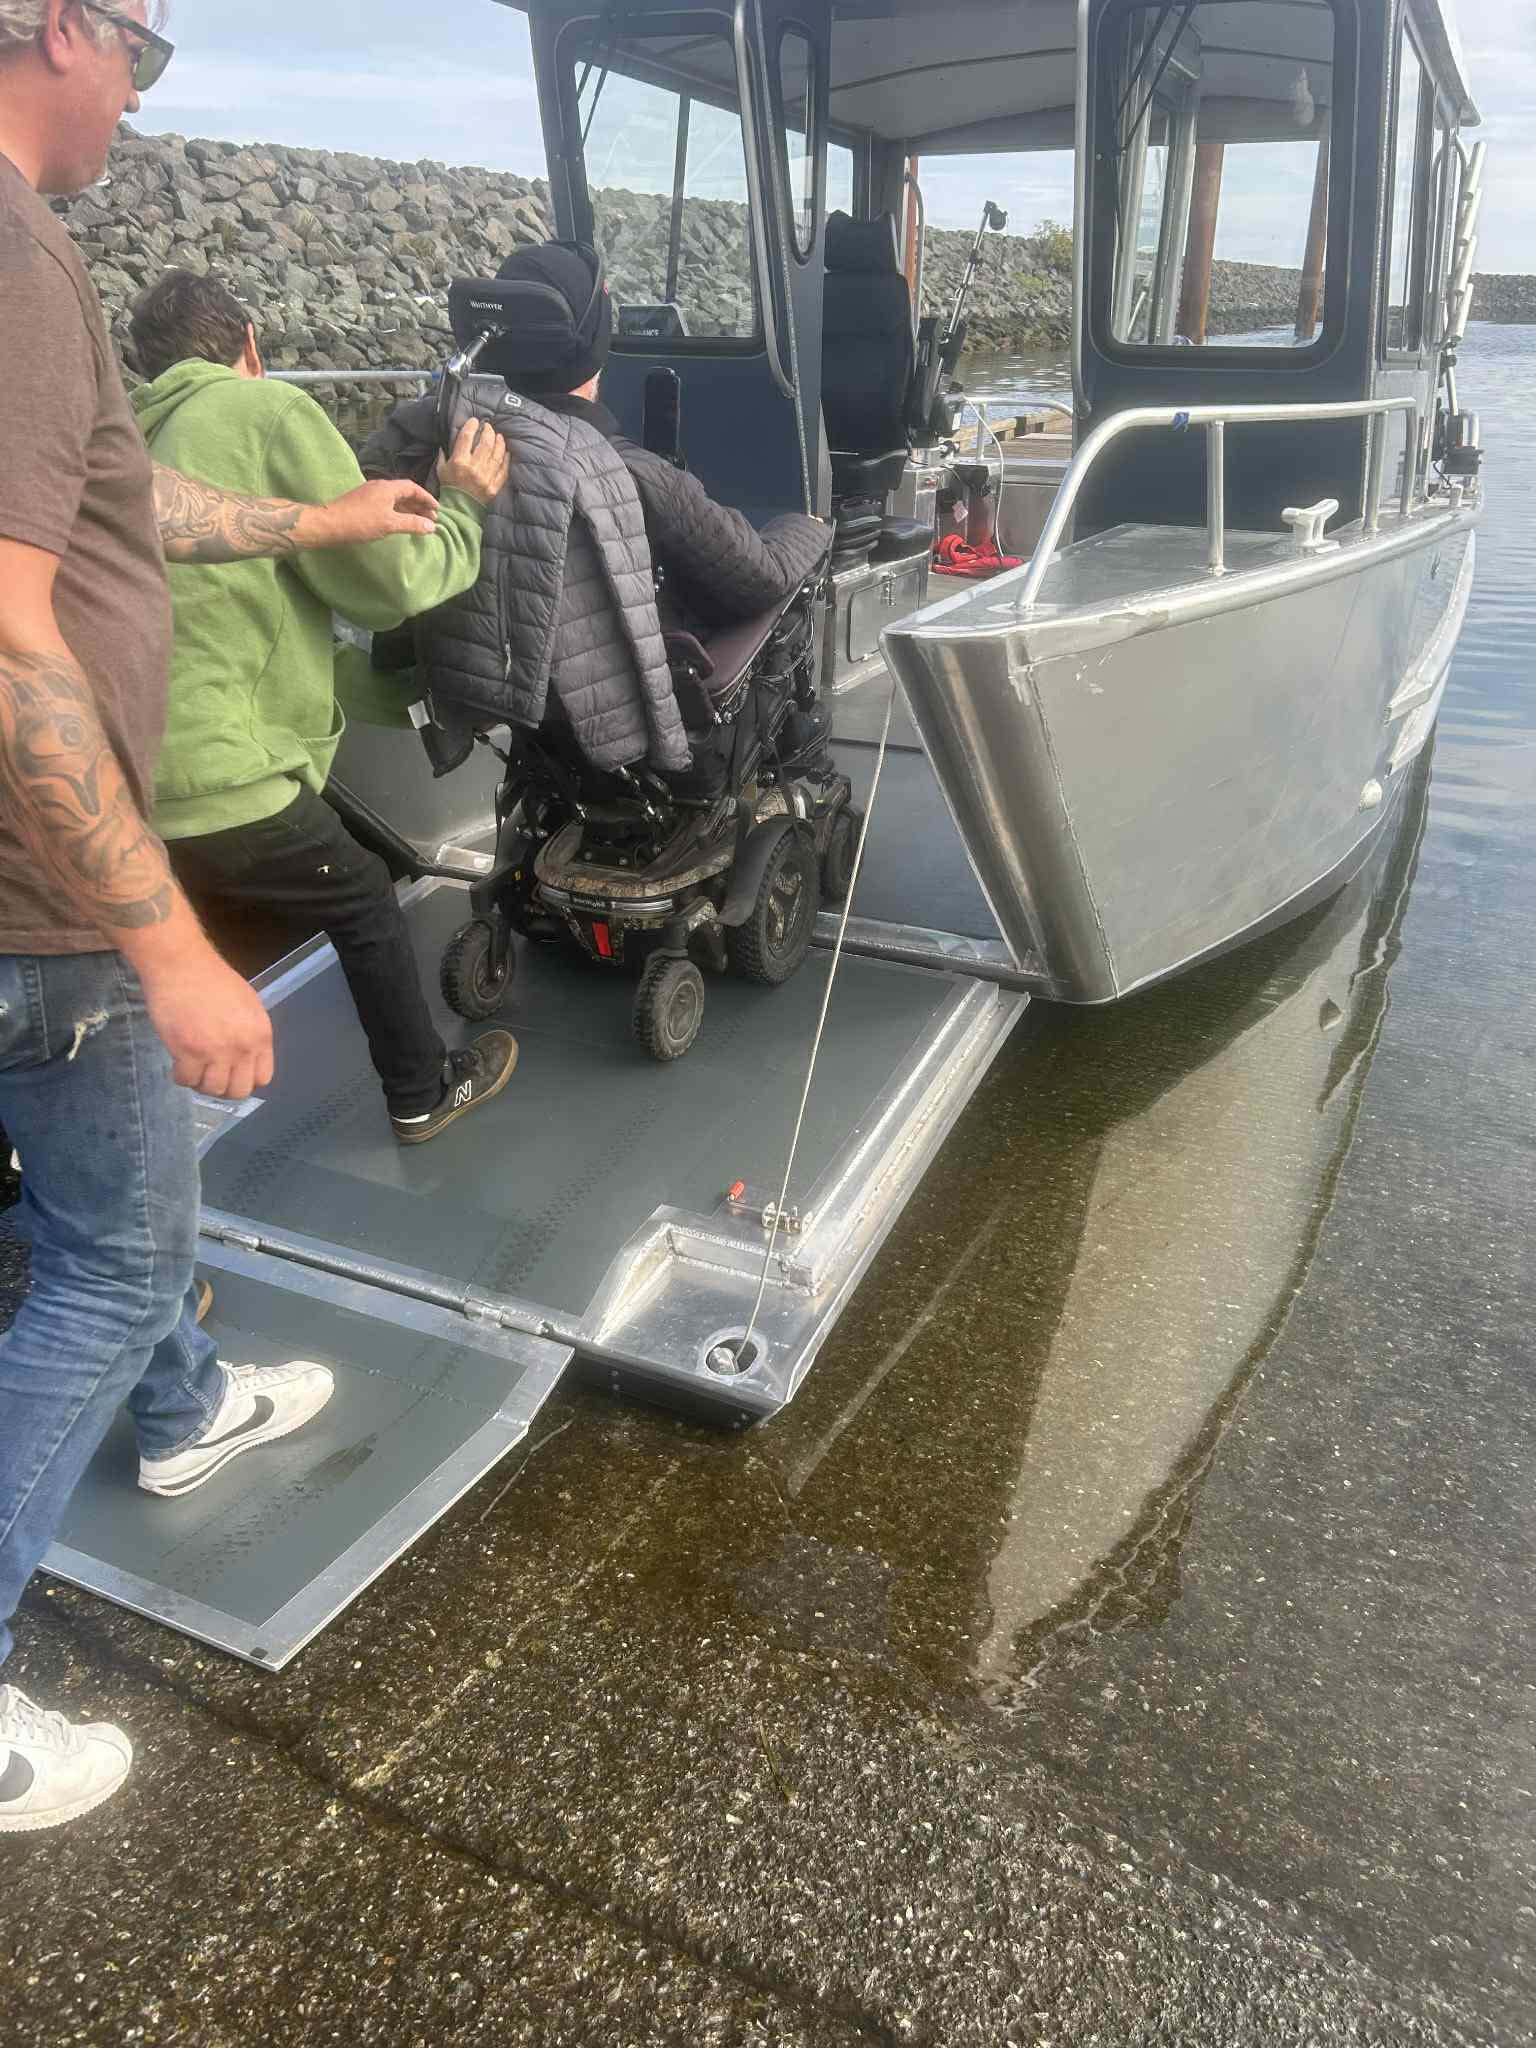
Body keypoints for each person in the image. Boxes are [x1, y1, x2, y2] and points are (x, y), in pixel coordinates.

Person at [0, 0, 448, 1834]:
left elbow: (126, 503)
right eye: (147, 54)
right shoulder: (17, 251)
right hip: (42, 903)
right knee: (108, 1251)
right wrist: (170, 941)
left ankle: (184, 1409)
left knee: (103, 1204)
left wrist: (314, 508)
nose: (142, 97)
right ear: (54, 23)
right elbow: (14, 624)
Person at [129, 269, 518, 1142]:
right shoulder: (268, 412)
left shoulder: (120, 438)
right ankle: (423, 1094)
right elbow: (383, 589)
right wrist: (463, 507)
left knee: (207, 927)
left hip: (121, 785)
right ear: (253, 350)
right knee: (361, 896)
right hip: (221, 774)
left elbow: (258, 617)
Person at [363, 240, 832, 645]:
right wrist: (807, 526)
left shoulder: (424, 436)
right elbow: (761, 577)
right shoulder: (634, 473)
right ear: (595, 346)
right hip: (616, 718)